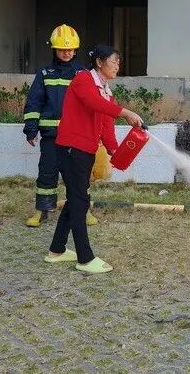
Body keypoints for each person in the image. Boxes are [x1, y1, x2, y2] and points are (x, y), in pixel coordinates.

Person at [44, 45, 143, 274]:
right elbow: (93, 103)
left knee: (75, 199)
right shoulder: (83, 80)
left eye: (119, 62)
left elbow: (106, 124)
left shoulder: (106, 90)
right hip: (71, 149)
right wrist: (125, 112)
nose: (117, 66)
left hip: (85, 151)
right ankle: (85, 258)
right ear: (99, 62)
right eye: (114, 61)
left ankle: (56, 250)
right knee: (80, 201)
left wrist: (115, 150)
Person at [23, 24, 96, 228]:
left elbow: (92, 104)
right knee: (47, 173)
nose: (67, 53)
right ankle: (42, 211)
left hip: (76, 136)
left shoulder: (83, 73)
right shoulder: (45, 73)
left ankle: (83, 211)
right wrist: (31, 129)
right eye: (62, 49)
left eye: (70, 49)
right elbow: (34, 102)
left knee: (78, 176)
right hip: (51, 136)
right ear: (54, 49)